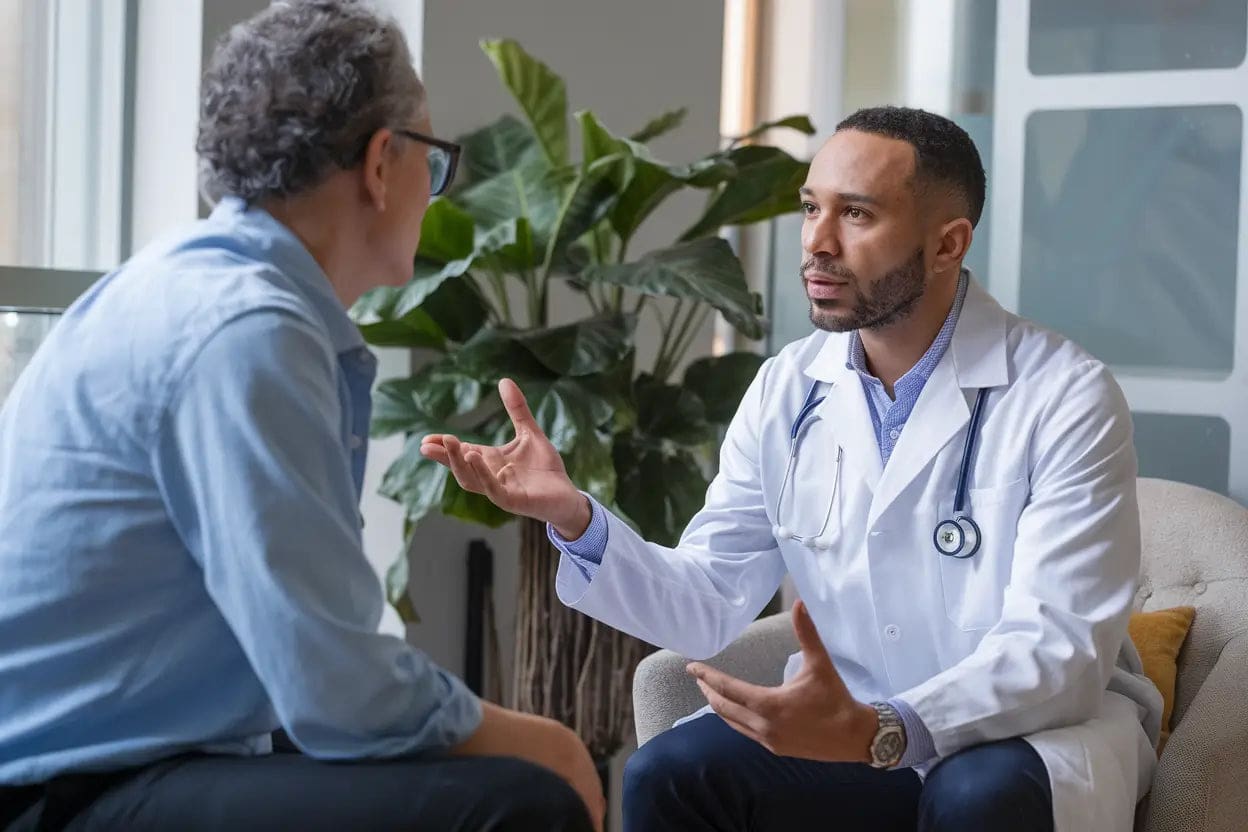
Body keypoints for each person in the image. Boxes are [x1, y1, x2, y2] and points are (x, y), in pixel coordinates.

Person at [421, 106, 1165, 832]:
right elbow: (706, 602)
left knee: (977, 796)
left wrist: (888, 727)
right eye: (812, 209)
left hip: (1021, 733)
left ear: (948, 245)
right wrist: (572, 518)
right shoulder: (790, 387)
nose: (817, 243)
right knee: (666, 775)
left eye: (857, 215)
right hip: (848, 721)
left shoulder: (1065, 395)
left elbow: (1058, 651)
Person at [0, 2, 603, 830]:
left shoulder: (204, 289)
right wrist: (554, 745)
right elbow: (334, 685)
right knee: (524, 802)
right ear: (382, 163)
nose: (434, 192)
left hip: (124, 752)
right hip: (61, 788)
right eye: (434, 160)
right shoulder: (247, 328)